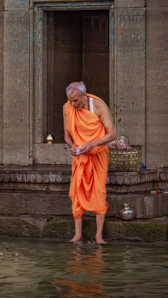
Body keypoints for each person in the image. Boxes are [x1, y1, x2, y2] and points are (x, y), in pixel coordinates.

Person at [63, 82, 116, 244]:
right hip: (80, 157)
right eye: (70, 101)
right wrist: (72, 147)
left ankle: (99, 236)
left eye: (76, 100)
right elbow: (66, 135)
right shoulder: (67, 108)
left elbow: (112, 134)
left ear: (84, 96)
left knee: (99, 191)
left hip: (98, 155)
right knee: (78, 192)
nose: (73, 104)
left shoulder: (99, 106)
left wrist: (93, 144)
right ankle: (78, 234)